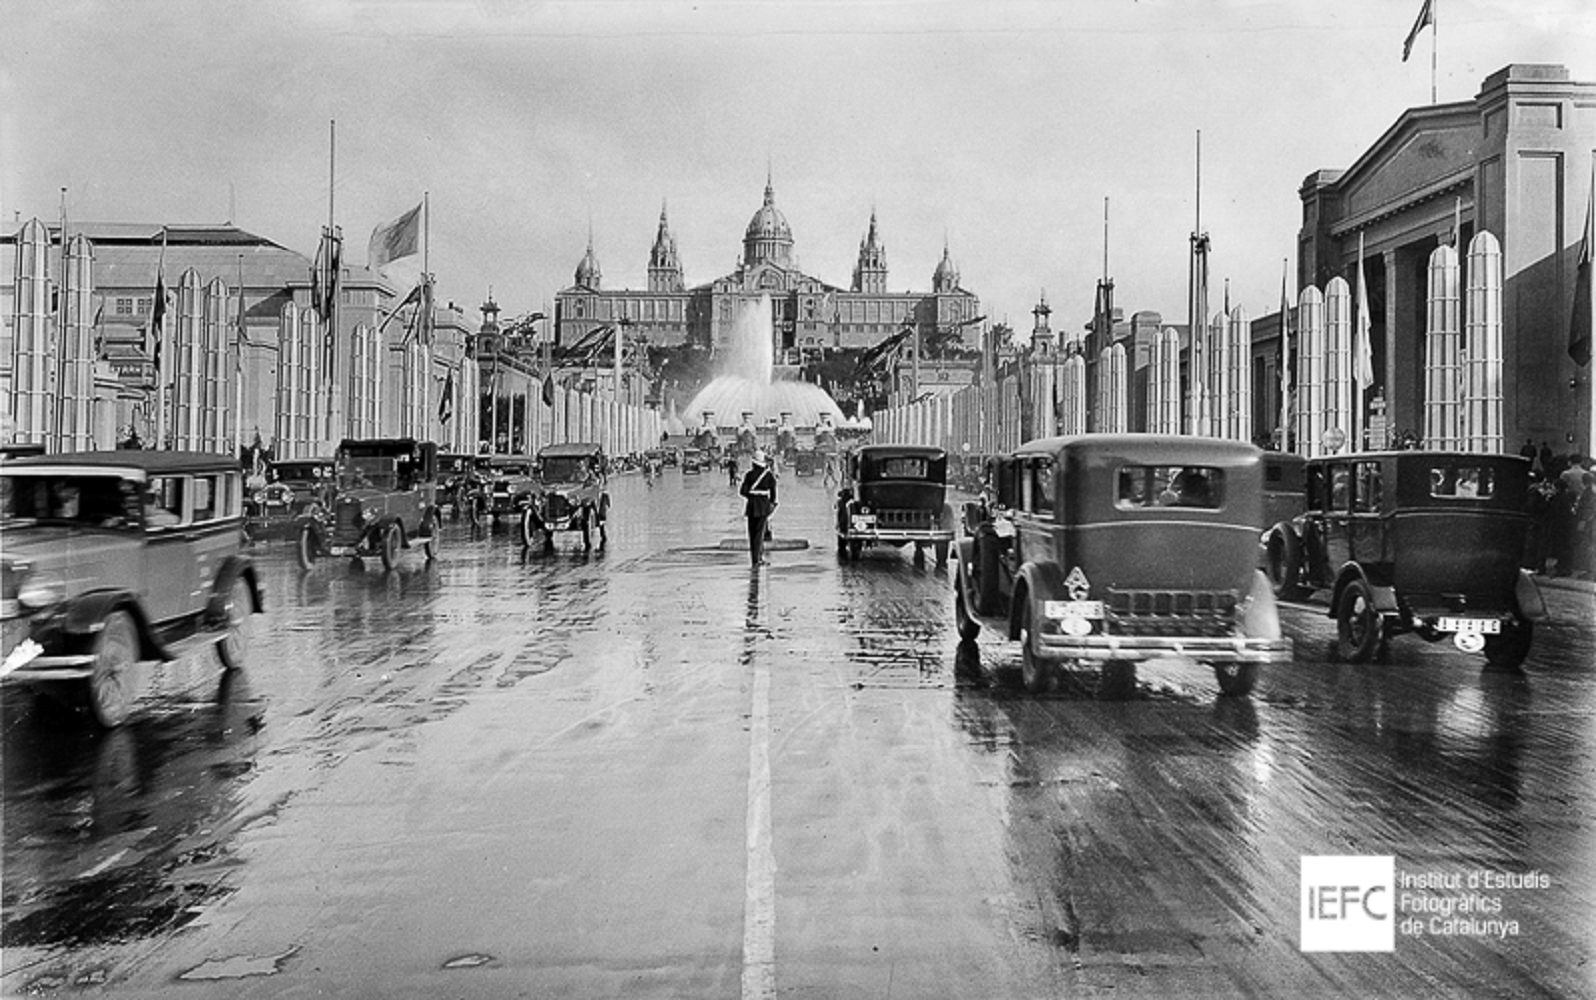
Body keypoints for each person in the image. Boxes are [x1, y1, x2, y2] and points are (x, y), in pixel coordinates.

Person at [740, 449, 778, 567]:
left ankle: (754, 559)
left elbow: (743, 491)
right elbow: (773, 492)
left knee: (752, 535)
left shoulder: (749, 475)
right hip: (763, 507)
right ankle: (758, 559)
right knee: (759, 534)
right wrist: (771, 503)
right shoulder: (768, 475)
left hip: (751, 507)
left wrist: (752, 497)